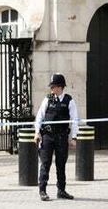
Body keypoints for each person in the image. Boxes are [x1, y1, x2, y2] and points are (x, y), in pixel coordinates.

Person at [34, 73, 79, 201]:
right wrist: (37, 132)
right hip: (47, 136)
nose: (52, 89)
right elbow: (39, 117)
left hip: (61, 137)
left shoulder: (69, 101)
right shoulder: (47, 99)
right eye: (51, 87)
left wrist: (74, 138)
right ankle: (42, 190)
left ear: (60, 87)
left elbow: (75, 120)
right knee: (45, 163)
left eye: (53, 86)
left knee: (61, 164)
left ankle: (61, 190)